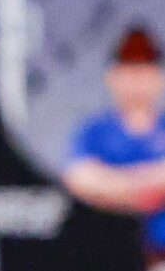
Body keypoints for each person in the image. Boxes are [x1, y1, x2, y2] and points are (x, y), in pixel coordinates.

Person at [64, 29, 165, 257]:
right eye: (130, 71)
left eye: (144, 71)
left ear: (158, 76)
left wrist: (114, 183)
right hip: (107, 258)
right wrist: (148, 187)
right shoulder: (95, 131)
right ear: (113, 76)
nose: (137, 81)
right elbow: (80, 179)